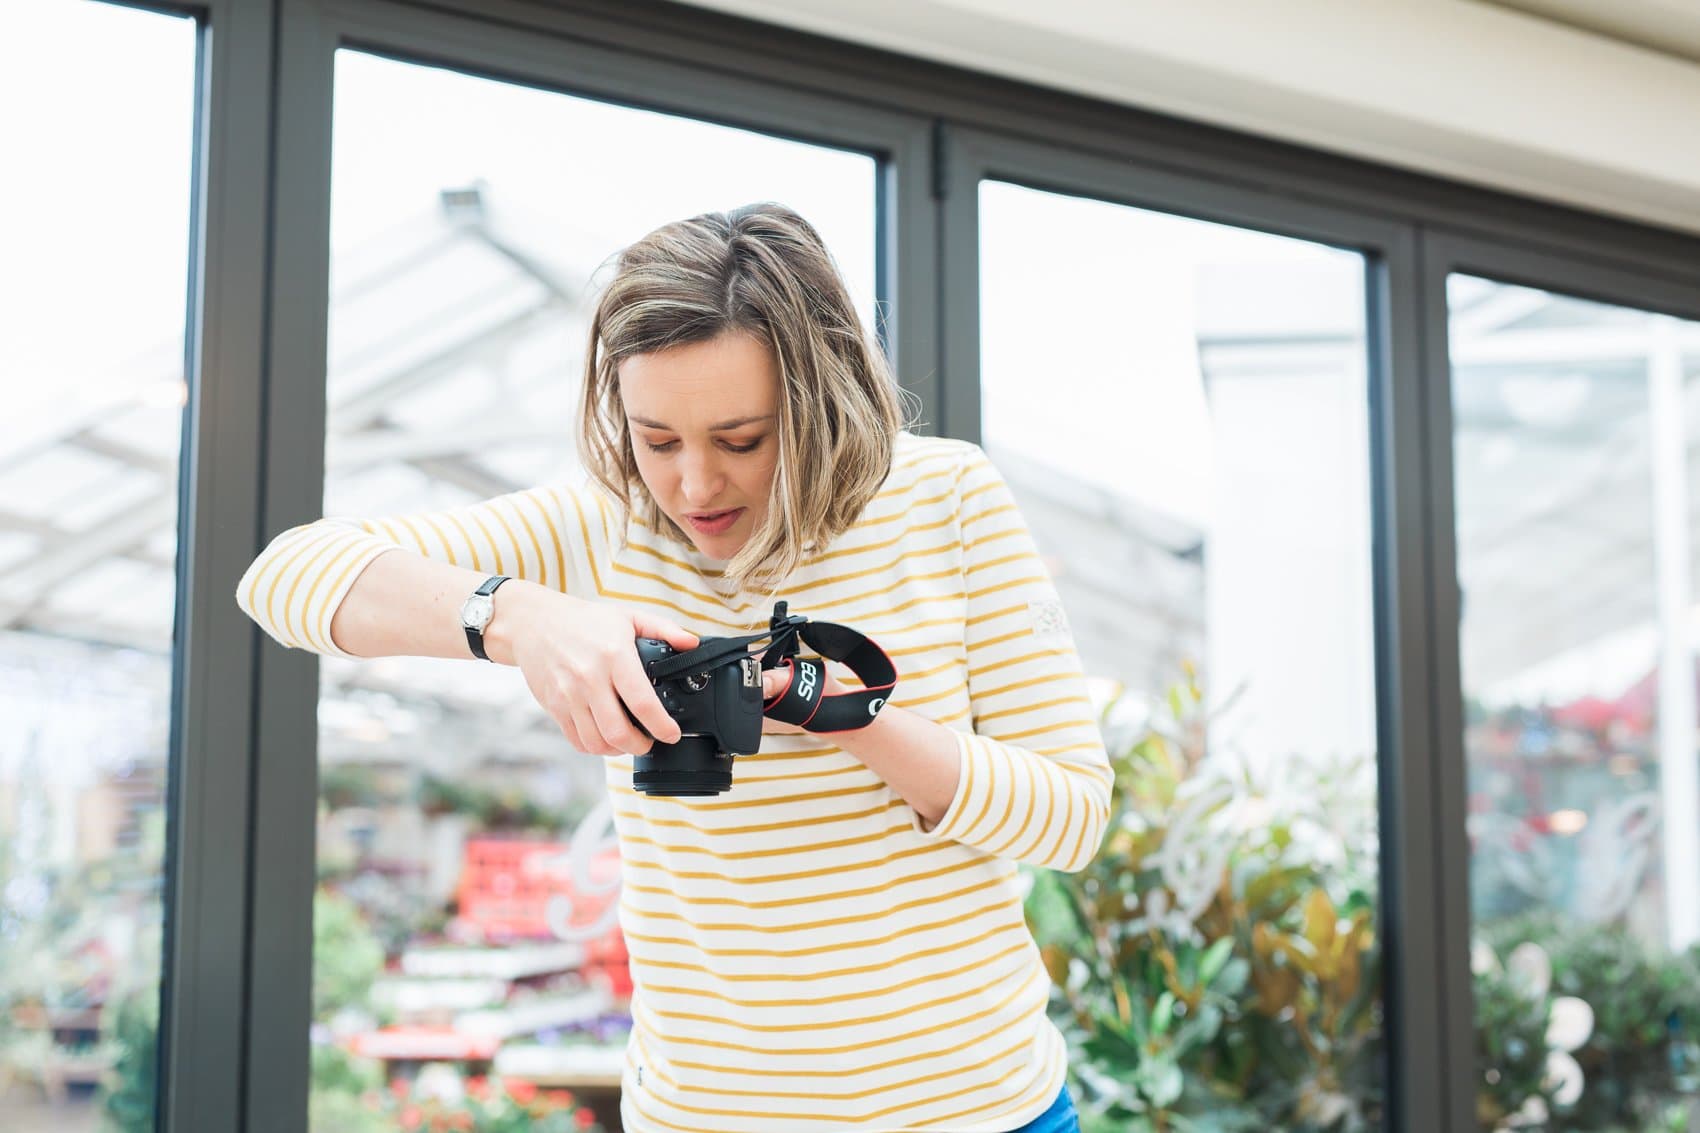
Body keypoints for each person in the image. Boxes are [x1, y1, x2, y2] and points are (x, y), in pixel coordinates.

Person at [236, 202, 1108, 1133]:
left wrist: (841, 713)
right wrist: (523, 618)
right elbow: (283, 575)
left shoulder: (949, 501)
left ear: (822, 397)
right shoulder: (600, 527)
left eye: (742, 440)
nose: (693, 486)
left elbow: (1072, 816)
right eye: (657, 440)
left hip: (984, 1110)